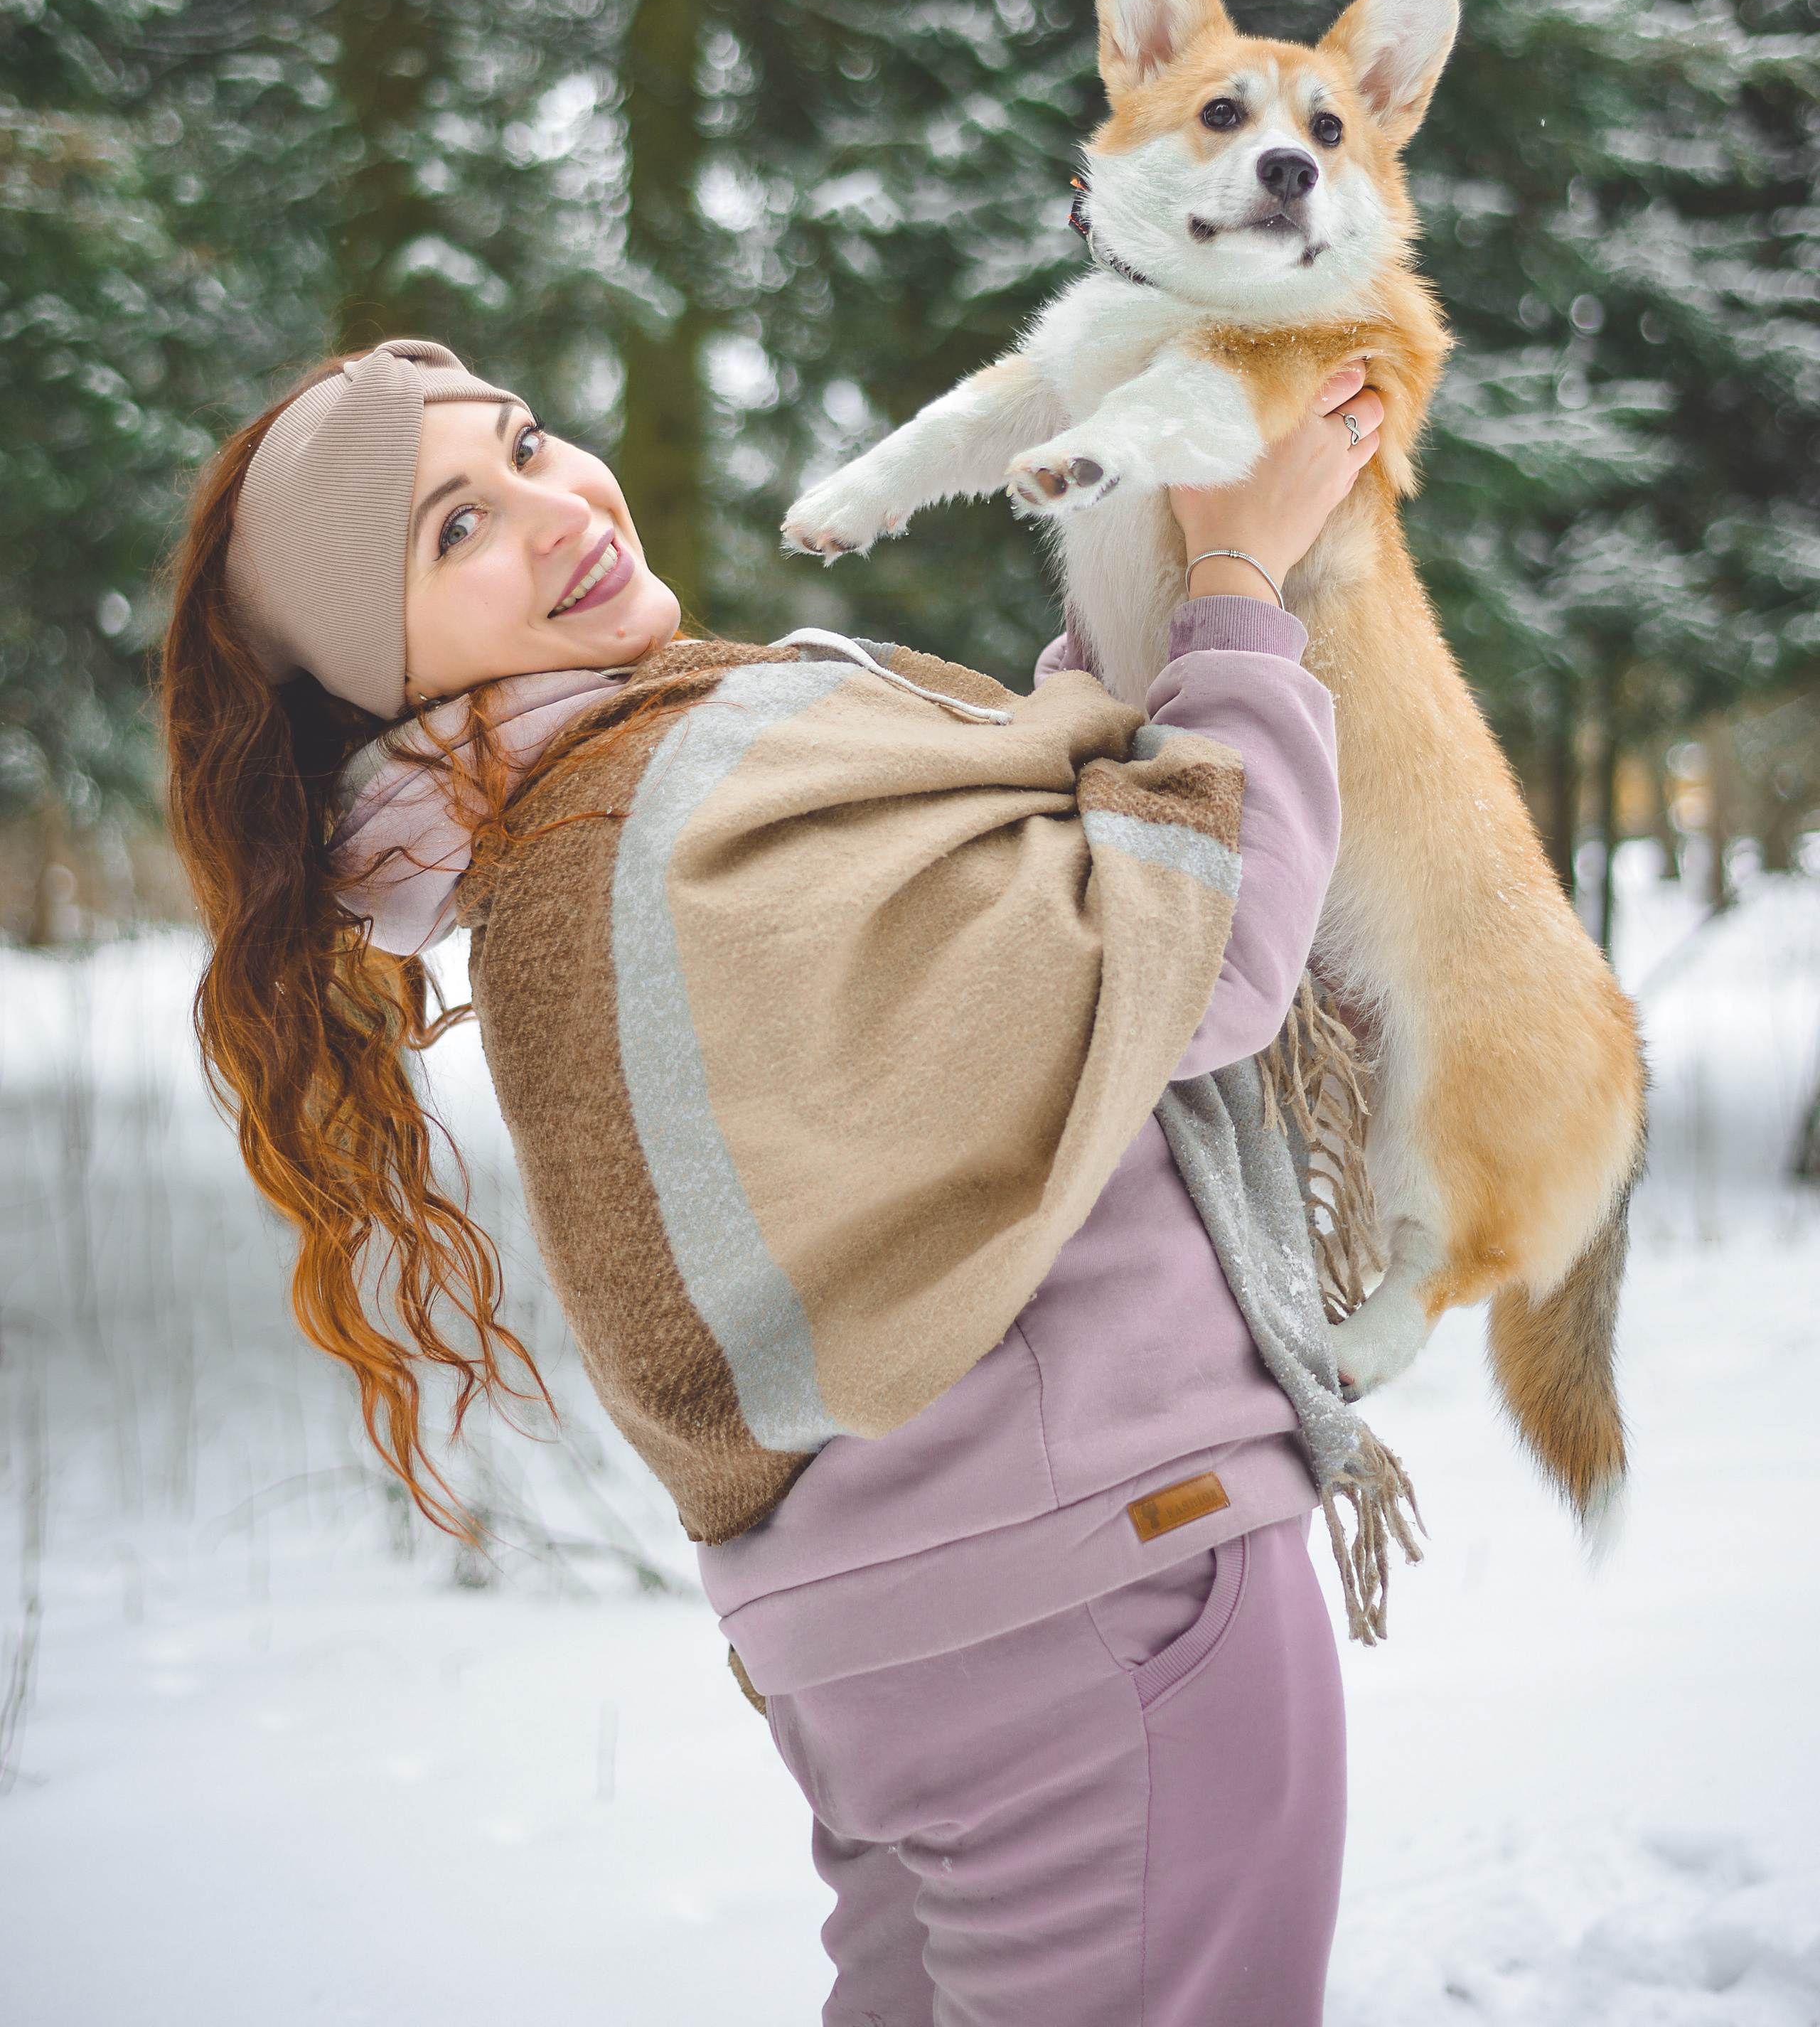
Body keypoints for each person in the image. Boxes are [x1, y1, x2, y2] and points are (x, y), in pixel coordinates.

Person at [162, 334, 1393, 2027]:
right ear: (379, 674)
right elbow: (1188, 960)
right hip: (1092, 1587)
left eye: (523, 446)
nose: (553, 507)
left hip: (918, 1638)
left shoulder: (589, 831)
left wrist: (1159, 553)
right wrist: (1239, 577)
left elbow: (1032, 882)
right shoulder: (660, 812)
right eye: (451, 529)